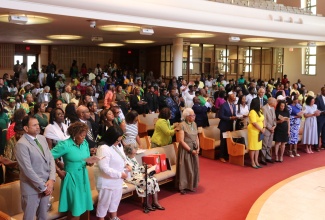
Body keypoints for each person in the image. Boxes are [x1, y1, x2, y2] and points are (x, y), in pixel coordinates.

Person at [14, 115, 56, 220]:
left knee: (43, 217)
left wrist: (51, 179)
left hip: (47, 184)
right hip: (31, 188)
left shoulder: (42, 138)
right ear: (26, 128)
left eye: (38, 124)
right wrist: (43, 187)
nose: (38, 127)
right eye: (34, 125)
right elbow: (27, 170)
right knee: (29, 217)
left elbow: (50, 159)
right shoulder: (21, 144)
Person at [51, 122, 93, 219]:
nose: (84, 137)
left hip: (83, 177)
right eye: (81, 135)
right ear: (74, 135)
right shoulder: (65, 145)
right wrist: (58, 170)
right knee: (75, 209)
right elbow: (48, 157)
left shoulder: (85, 144)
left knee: (82, 206)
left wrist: (89, 162)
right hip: (71, 178)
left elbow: (84, 158)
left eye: (85, 135)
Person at [95, 126, 129, 220]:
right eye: (117, 140)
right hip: (106, 181)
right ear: (111, 137)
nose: (118, 142)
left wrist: (126, 164)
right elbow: (104, 167)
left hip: (117, 180)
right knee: (104, 203)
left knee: (115, 200)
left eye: (120, 140)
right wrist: (120, 174)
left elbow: (122, 156)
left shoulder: (116, 145)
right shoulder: (103, 148)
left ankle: (113, 217)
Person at [124, 144, 165, 211]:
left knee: (154, 179)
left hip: (138, 175)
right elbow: (129, 171)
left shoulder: (133, 157)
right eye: (134, 153)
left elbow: (137, 168)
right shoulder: (125, 160)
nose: (135, 154)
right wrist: (141, 175)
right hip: (130, 177)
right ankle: (146, 203)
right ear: (129, 152)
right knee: (147, 181)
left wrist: (146, 167)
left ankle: (155, 202)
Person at [175, 108, 199, 195]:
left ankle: (191, 185)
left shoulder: (194, 124)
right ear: (187, 116)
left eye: (194, 115)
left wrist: (198, 148)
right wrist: (190, 150)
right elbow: (181, 140)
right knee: (185, 168)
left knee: (193, 167)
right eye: (192, 115)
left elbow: (196, 137)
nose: (194, 117)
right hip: (186, 149)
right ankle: (183, 186)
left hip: (194, 148)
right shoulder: (182, 125)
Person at [218, 93, 237, 163]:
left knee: (228, 141)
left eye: (234, 98)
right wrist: (229, 118)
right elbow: (220, 116)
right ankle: (221, 156)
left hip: (230, 126)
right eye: (233, 98)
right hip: (224, 126)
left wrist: (235, 117)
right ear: (229, 98)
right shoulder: (224, 105)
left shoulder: (234, 105)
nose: (234, 99)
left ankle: (226, 154)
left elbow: (233, 114)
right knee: (223, 141)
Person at [247, 98, 265, 169]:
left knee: (257, 147)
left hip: (260, 131)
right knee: (253, 147)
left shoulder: (260, 111)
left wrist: (264, 127)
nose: (261, 104)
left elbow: (263, 119)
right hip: (253, 131)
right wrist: (261, 129)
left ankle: (256, 161)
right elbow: (254, 123)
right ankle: (252, 162)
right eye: (260, 103)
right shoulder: (252, 112)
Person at [260, 97, 277, 165]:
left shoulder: (273, 108)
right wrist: (270, 128)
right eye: (275, 102)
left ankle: (268, 157)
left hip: (272, 129)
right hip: (266, 129)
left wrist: (274, 126)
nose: (276, 103)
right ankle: (262, 159)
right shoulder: (264, 108)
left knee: (269, 145)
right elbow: (264, 120)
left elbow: (274, 118)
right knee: (264, 145)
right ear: (271, 102)